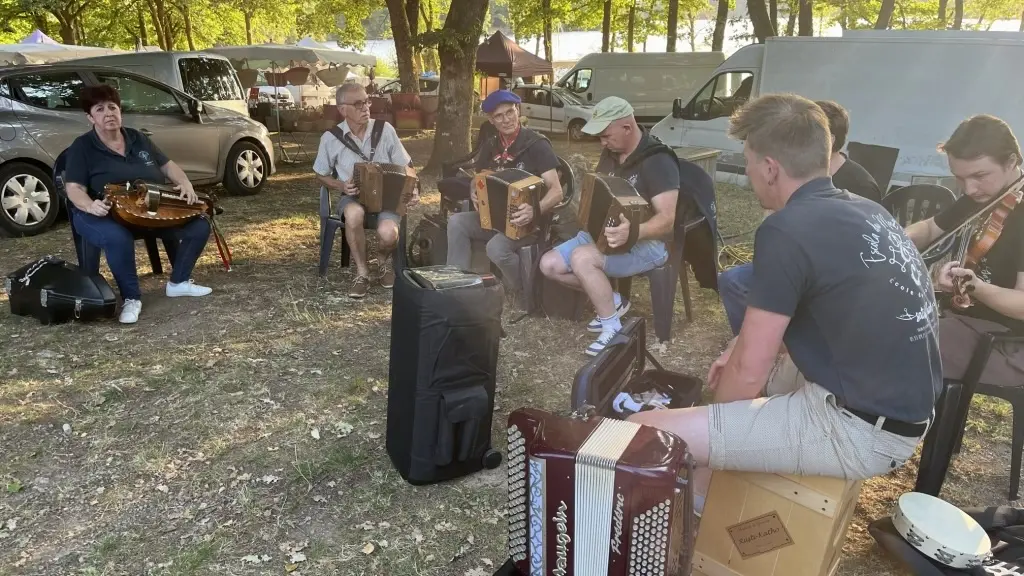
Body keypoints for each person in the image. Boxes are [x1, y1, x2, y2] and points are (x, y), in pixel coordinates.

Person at [628, 93, 940, 516]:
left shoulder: (786, 229)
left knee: (640, 430)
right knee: (752, 388)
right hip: (903, 409)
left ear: (770, 168)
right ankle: (706, 511)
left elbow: (748, 371)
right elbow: (790, 326)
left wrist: (717, 422)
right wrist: (733, 351)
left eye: (750, 162)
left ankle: (698, 525)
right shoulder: (868, 209)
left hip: (862, 429)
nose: (752, 172)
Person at [717, 99, 882, 335]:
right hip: (803, 263)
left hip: (831, 280)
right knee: (732, 280)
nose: (745, 170)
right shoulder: (802, 186)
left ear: (828, 140)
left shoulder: (861, 186)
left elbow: (859, 261)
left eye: (747, 161)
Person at [538, 97, 679, 356]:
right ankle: (614, 302)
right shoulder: (611, 153)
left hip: (648, 244)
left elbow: (667, 219)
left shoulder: (658, 160)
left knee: (581, 259)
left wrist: (633, 232)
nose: (602, 143)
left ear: (627, 127)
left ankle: (613, 329)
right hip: (605, 236)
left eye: (606, 135)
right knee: (549, 265)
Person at [63, 84, 212, 325]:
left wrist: (185, 183)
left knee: (199, 224)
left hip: (145, 210)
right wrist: (90, 206)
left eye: (112, 107)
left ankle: (179, 282)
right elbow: (74, 189)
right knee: (117, 238)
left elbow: (167, 165)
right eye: (100, 109)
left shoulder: (137, 138)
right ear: (90, 117)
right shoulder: (83, 146)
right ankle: (132, 298)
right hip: (102, 213)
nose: (108, 113)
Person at [905, 114, 1024, 388]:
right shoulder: (981, 196)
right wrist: (892, 240)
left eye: (979, 176)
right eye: (960, 178)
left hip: (1008, 343)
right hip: (964, 321)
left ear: (1012, 162)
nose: (969, 188)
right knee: (877, 319)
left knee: (898, 342)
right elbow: (930, 229)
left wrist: (975, 287)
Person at [445, 90, 564, 303]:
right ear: (491, 120)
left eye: (510, 112)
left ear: (518, 110)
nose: (506, 119)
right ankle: (456, 286)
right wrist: (474, 186)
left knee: (496, 248)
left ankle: (525, 289)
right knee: (457, 222)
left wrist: (534, 210)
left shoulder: (536, 144)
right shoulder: (491, 145)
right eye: (499, 116)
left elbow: (556, 191)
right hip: (493, 218)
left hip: (530, 221)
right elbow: (480, 176)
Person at [314, 83, 419, 299]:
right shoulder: (331, 138)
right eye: (358, 103)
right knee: (353, 214)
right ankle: (362, 273)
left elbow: (408, 166)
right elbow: (320, 174)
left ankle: (382, 260)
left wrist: (414, 188)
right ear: (343, 109)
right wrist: (341, 186)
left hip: (387, 199)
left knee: (389, 234)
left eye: (367, 101)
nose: (365, 108)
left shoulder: (384, 130)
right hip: (353, 197)